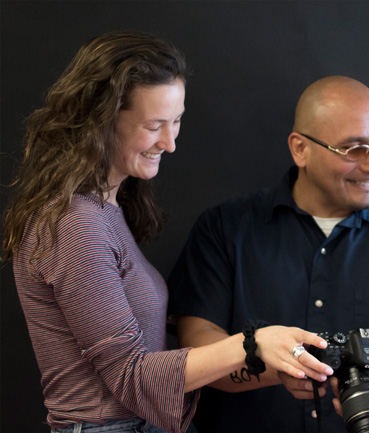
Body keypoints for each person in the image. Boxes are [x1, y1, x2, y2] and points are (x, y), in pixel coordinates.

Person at [1, 31, 332, 433]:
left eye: (176, 121)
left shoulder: (105, 209)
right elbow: (132, 377)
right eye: (154, 125)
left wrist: (264, 363)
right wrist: (253, 343)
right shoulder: (76, 224)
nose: (171, 143)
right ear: (101, 122)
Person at [167, 75, 369, 433]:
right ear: (300, 148)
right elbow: (195, 346)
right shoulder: (224, 230)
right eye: (353, 149)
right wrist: (273, 366)